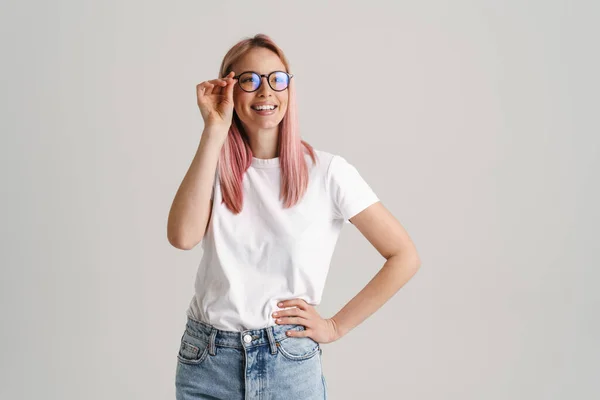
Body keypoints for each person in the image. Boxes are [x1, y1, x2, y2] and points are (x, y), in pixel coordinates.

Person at [167, 33, 421, 400]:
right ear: (229, 89)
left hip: (286, 362)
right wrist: (214, 129)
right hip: (207, 361)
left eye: (277, 79)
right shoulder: (213, 168)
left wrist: (334, 326)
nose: (266, 92)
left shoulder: (328, 172)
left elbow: (404, 256)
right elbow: (182, 237)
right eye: (250, 80)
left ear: (290, 88)